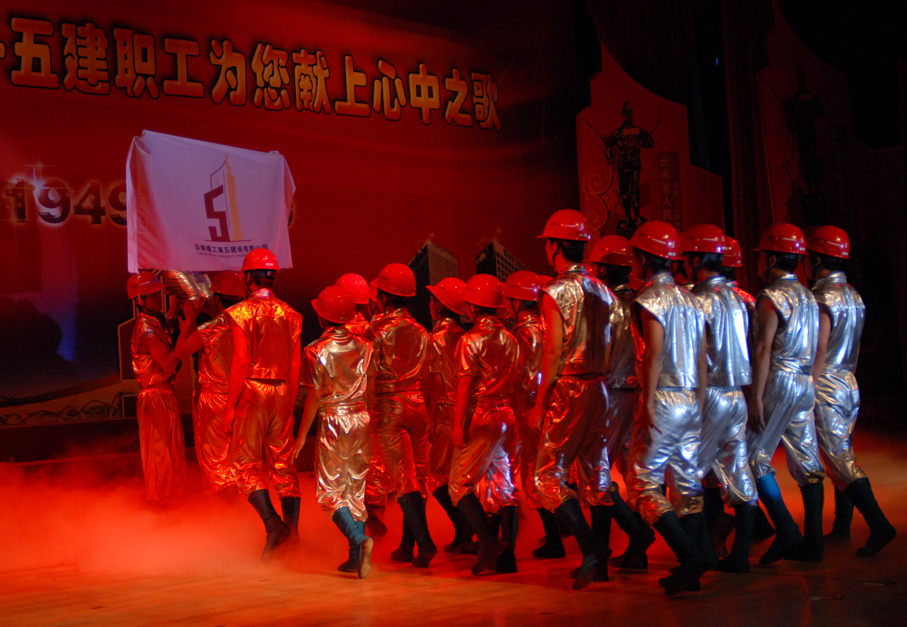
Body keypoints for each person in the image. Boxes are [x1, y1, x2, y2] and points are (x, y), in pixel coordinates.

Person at [527, 209, 614, 590]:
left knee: (546, 476)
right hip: (601, 386)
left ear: (556, 245)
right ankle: (600, 562)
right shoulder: (602, 289)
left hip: (571, 387)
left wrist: (540, 402)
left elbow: (553, 350)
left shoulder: (555, 290)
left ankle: (592, 548)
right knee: (597, 473)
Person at [624, 220, 709, 596]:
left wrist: (647, 403)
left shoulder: (651, 298)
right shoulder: (691, 299)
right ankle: (693, 568)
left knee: (643, 484)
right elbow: (703, 357)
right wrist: (699, 403)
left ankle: (691, 557)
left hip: (664, 396)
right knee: (687, 483)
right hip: (690, 398)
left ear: (643, 257)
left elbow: (654, 355)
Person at [806, 226, 896, 557]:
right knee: (840, 454)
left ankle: (879, 525)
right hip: (848, 382)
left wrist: (809, 387)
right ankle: (841, 527)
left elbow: (820, 348)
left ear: (817, 259)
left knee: (839, 459)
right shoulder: (853, 295)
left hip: (827, 383)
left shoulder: (822, 298)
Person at [680, 225, 760, 573]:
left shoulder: (696, 301)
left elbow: (694, 357)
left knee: (684, 473)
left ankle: (701, 555)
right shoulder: (738, 298)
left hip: (709, 393)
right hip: (736, 394)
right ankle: (739, 555)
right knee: (738, 472)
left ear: (696, 260)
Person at [746, 223, 825, 564]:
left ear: (772, 258)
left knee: (751, 457)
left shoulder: (771, 296)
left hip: (779, 379)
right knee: (809, 463)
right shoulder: (809, 295)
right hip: (805, 381)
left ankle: (786, 528)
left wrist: (756, 397)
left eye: (761, 255)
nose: (758, 260)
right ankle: (814, 544)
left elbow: (764, 348)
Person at [293, 285, 376, 578]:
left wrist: (301, 436)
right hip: (362, 418)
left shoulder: (315, 350)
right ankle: (356, 558)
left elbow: (314, 397)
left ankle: (359, 540)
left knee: (329, 492)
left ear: (322, 316)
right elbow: (371, 386)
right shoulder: (365, 345)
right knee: (355, 490)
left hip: (334, 421)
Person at [223, 249, 303, 558]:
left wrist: (230, 406)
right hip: (283, 390)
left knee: (244, 463)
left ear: (248, 277)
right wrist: (289, 402)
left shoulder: (240, 313)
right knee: (284, 464)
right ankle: (293, 535)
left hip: (254, 391)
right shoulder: (291, 314)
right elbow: (295, 364)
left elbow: (241, 362)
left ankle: (273, 526)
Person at [586, 235, 656, 570]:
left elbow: (597, 353)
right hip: (637, 396)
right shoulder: (641, 302)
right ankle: (637, 552)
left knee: (596, 472)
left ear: (602, 268)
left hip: (610, 395)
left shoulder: (604, 305)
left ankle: (610, 550)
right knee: (634, 477)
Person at [449, 274, 521, 575]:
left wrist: (457, 424)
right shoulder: (511, 339)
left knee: (458, 485)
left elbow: (466, 385)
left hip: (483, 416)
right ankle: (508, 558)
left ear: (473, 306)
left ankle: (489, 543)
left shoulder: (471, 339)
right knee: (505, 488)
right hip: (507, 416)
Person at [367, 263, 437, 567]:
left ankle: (425, 542)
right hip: (418, 403)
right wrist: (428, 412)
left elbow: (369, 376)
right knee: (418, 478)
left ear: (383, 295)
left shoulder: (375, 330)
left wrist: (366, 410)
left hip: (388, 406)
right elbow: (429, 376)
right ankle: (407, 546)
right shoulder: (421, 330)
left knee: (402, 481)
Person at [502, 270, 564, 559]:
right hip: (548, 403)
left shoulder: (522, 334)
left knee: (529, 474)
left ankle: (554, 538)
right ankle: (557, 534)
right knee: (542, 469)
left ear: (516, 302)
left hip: (528, 407)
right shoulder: (545, 327)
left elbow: (519, 377)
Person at [173, 271, 245, 496]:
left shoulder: (211, 328)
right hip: (243, 398)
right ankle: (241, 511)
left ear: (217, 298)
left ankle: (223, 512)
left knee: (216, 464)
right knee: (239, 461)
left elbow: (179, 353)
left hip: (214, 402)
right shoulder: (250, 326)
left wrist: (187, 323)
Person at [336, 273, 390, 538]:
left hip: (345, 408)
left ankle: (357, 526)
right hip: (374, 405)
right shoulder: (374, 330)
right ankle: (375, 516)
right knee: (375, 465)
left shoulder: (337, 334)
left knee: (346, 467)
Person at [128, 271, 188, 505]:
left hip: (165, 395)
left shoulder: (155, 322)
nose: (158, 298)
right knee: (159, 456)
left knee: (176, 455)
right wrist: (188, 334)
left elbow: (170, 319)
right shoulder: (147, 330)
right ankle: (160, 506)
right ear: (141, 300)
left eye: (158, 293)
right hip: (154, 397)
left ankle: (175, 503)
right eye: (153, 295)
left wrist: (177, 297)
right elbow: (169, 364)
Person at [424, 277, 473, 553]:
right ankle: (469, 532)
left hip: (444, 412)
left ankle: (465, 528)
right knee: (463, 476)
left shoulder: (435, 339)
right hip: (468, 411)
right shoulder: (467, 336)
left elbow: (434, 382)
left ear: (438, 305)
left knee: (436, 476)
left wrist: (429, 418)